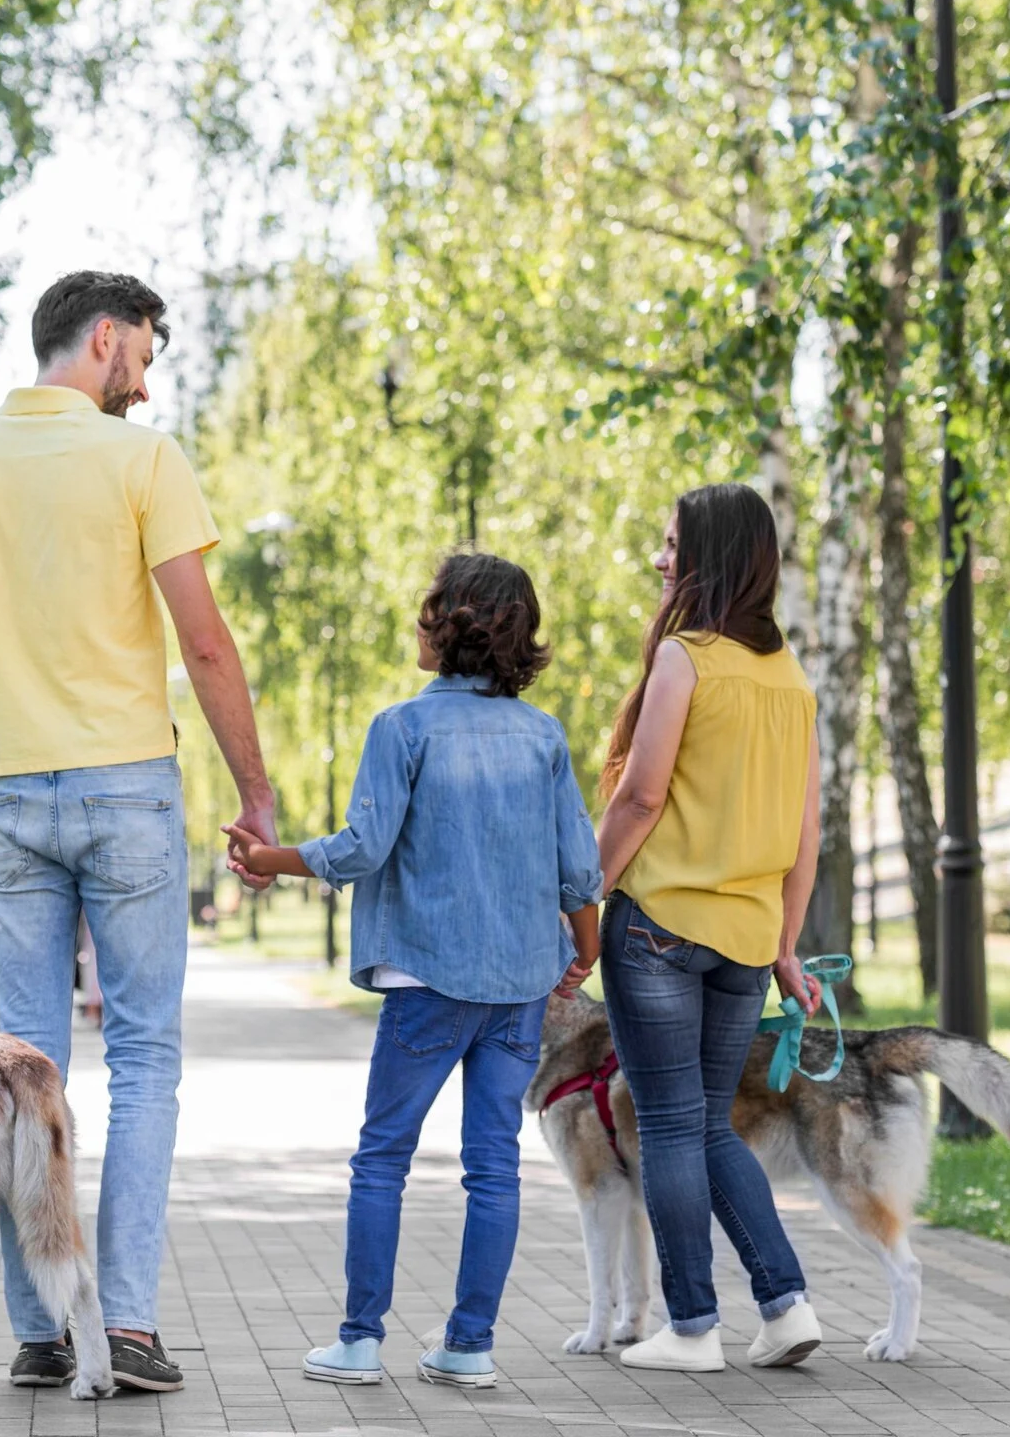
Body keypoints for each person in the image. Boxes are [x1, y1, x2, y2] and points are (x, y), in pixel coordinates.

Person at [0, 271, 277, 1395]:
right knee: (148, 1057)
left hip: (5, 801)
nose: (147, 380)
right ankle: (127, 1324)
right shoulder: (143, 462)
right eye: (146, 354)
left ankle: (37, 1329)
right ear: (104, 339)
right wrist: (255, 794)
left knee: (23, 1063)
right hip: (128, 795)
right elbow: (205, 646)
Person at [224, 552, 602, 1390]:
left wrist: (272, 859)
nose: (418, 622)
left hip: (426, 983)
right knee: (492, 1164)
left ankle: (360, 1340)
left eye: (427, 608)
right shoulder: (542, 735)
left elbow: (362, 849)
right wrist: (583, 949)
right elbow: (580, 867)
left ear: (452, 623)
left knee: (383, 1157)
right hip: (517, 989)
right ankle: (470, 1345)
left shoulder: (403, 728)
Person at [571, 481, 825, 1374]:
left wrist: (579, 901)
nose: (659, 556)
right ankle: (787, 1306)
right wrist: (787, 947)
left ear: (711, 553)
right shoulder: (791, 678)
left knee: (675, 1129)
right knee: (709, 1124)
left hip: (663, 929)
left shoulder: (686, 659)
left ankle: (690, 1329)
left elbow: (640, 796)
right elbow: (806, 834)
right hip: (747, 940)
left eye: (674, 541)